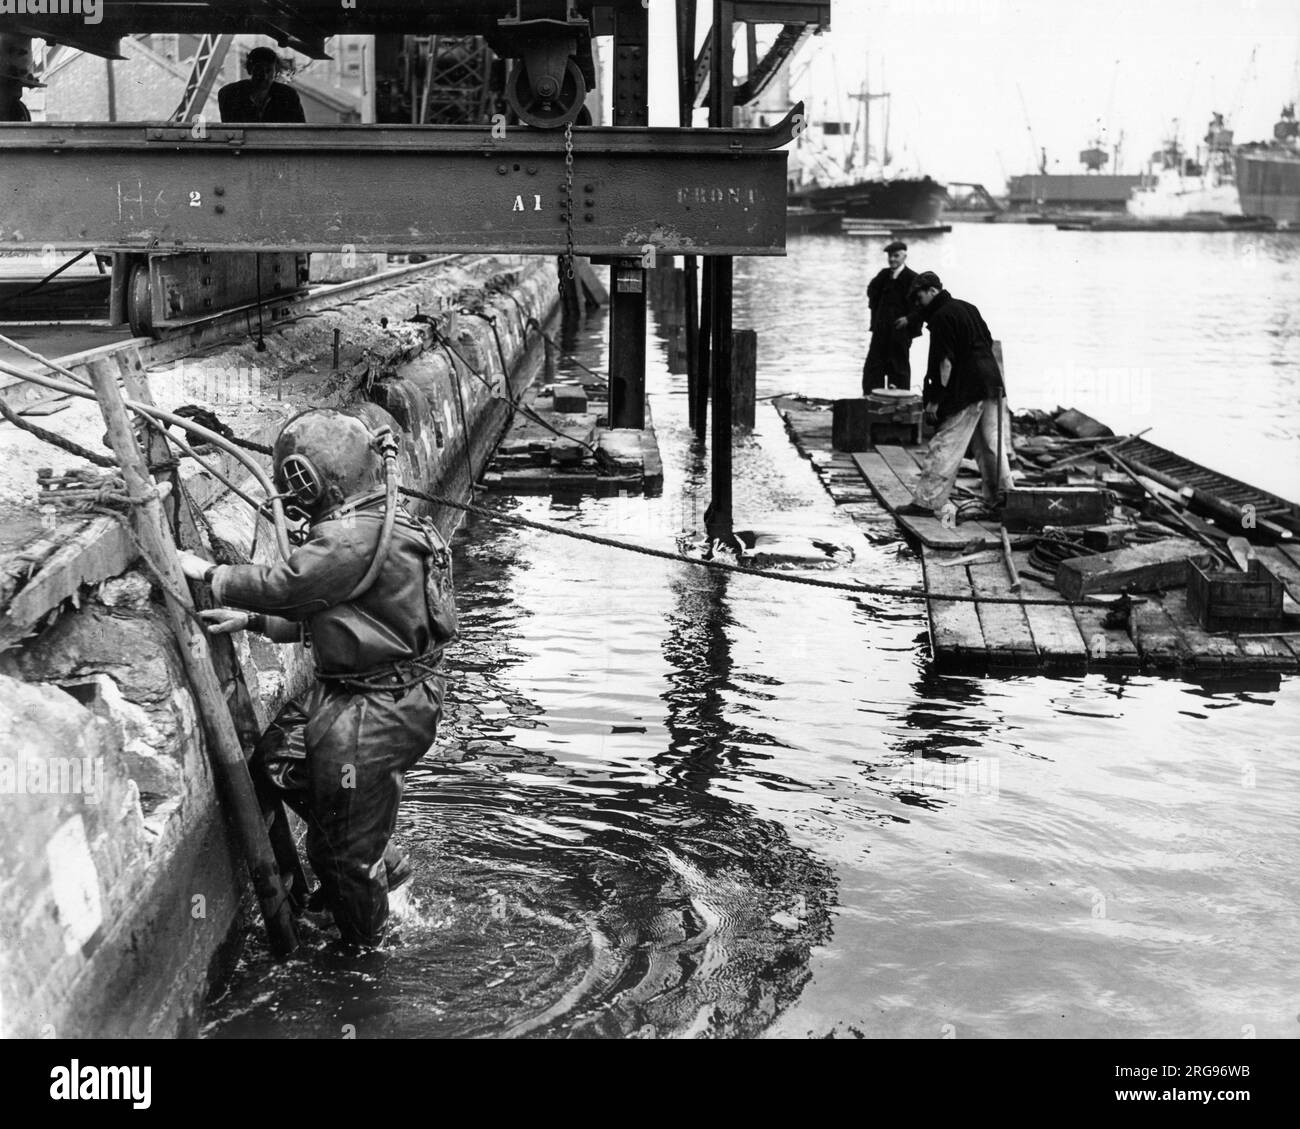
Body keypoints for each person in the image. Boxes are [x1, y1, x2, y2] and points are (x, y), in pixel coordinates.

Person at [177, 406, 457, 947]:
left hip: (375, 707)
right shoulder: (378, 524)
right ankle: (381, 858)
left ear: (310, 478)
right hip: (371, 693)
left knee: (340, 857)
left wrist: (214, 576)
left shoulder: (351, 538)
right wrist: (254, 620)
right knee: (280, 756)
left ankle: (365, 956)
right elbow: (343, 614)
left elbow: (293, 584)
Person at [896, 271, 1013, 520]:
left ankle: (927, 501)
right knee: (990, 445)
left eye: (919, 298)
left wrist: (936, 401)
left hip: (968, 388)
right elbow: (987, 341)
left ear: (932, 291)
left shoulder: (941, 317)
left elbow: (945, 363)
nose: (918, 304)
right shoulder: (967, 307)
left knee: (946, 442)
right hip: (992, 384)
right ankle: (1005, 500)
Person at [862, 240, 922, 392]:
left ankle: (899, 403)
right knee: (874, 367)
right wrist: (878, 315)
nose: (892, 259)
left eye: (896, 256)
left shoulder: (913, 278)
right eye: (890, 256)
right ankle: (871, 399)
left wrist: (908, 319)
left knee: (898, 369)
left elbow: (922, 306)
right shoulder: (883, 275)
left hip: (899, 333)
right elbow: (871, 291)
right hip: (881, 331)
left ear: (904, 256)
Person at [218, 46, 306, 123]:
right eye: (259, 69)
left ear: (276, 72)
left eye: (269, 70)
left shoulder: (288, 95)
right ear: (250, 69)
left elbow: (300, 130)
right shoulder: (230, 94)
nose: (264, 75)